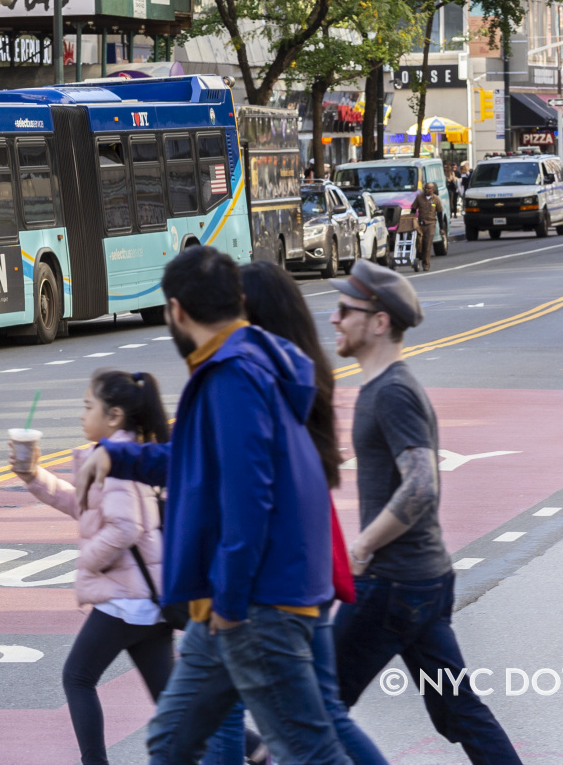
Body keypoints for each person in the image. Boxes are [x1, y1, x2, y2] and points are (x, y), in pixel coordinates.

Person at [75, 246, 347, 765]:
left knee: (308, 749)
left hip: (253, 602)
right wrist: (118, 456)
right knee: (173, 739)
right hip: (237, 598)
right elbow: (201, 461)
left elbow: (249, 496)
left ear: (176, 311)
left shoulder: (232, 375)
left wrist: (230, 602)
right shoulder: (243, 360)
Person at [328, 260, 519, 764]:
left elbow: (421, 486)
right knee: (460, 711)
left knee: (315, 705)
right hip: (423, 582)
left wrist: (363, 546)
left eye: (346, 309)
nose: (334, 318)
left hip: (390, 585)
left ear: (379, 321)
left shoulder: (391, 391)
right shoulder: (385, 388)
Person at [240, 261, 388, 765]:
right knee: (323, 714)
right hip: (310, 556)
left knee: (308, 726)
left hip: (283, 569)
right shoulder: (302, 371)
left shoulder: (264, 379)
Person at [10, 369, 172, 765]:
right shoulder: (121, 453)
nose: (82, 414)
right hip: (147, 598)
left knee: (77, 677)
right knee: (174, 702)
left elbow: (125, 527)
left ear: (114, 415)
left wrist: (88, 563)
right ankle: (253, 748)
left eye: (88, 406)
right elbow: (82, 505)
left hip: (125, 598)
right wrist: (34, 476)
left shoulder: (119, 461)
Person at [412, 182, 439, 272]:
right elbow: (413, 209)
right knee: (419, 243)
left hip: (431, 224)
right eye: (425, 188)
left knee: (427, 244)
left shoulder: (436, 199)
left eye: (429, 188)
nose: (426, 190)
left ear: (433, 190)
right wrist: (412, 220)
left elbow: (440, 213)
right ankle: (418, 258)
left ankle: (426, 264)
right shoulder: (419, 198)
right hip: (420, 224)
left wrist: (442, 228)